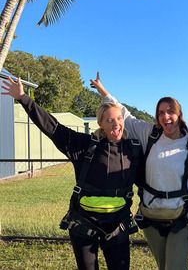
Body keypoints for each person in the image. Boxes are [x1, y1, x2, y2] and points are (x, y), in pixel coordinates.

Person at [1, 77, 144, 270]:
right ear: (101, 123)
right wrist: (23, 98)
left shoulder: (133, 149)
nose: (116, 124)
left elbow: (150, 179)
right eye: (109, 120)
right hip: (83, 224)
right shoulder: (84, 145)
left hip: (118, 225)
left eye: (119, 119)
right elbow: (53, 127)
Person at [90, 75, 188, 270]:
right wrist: (102, 90)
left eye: (170, 112)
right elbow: (123, 114)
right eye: (161, 113)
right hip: (151, 216)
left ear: (179, 114)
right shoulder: (149, 134)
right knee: (163, 266)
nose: (166, 117)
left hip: (182, 217)